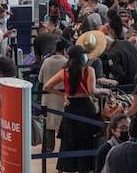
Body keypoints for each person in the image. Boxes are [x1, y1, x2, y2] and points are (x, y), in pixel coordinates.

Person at [44, 45, 110, 173]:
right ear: (81, 58)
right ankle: (83, 169)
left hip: (71, 108)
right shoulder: (88, 70)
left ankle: (63, 169)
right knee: (85, 141)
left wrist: (63, 95)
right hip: (86, 107)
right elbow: (92, 91)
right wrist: (103, 90)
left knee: (68, 141)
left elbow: (47, 86)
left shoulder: (64, 72)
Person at [38, 38, 70, 152]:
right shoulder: (66, 62)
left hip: (47, 96)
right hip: (61, 97)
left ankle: (47, 149)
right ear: (65, 50)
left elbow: (40, 79)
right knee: (63, 124)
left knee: (48, 124)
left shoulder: (46, 61)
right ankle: (63, 151)